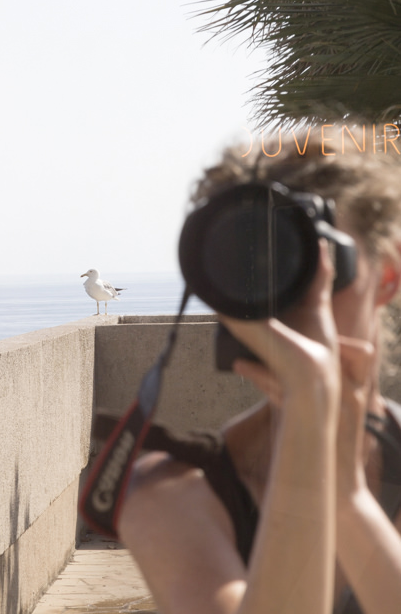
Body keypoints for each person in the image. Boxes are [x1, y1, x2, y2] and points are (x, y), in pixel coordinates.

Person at [118, 134, 401, 614]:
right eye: (258, 265)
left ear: (388, 277)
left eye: (322, 264)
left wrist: (347, 498)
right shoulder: (172, 495)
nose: (295, 294)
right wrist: (311, 416)